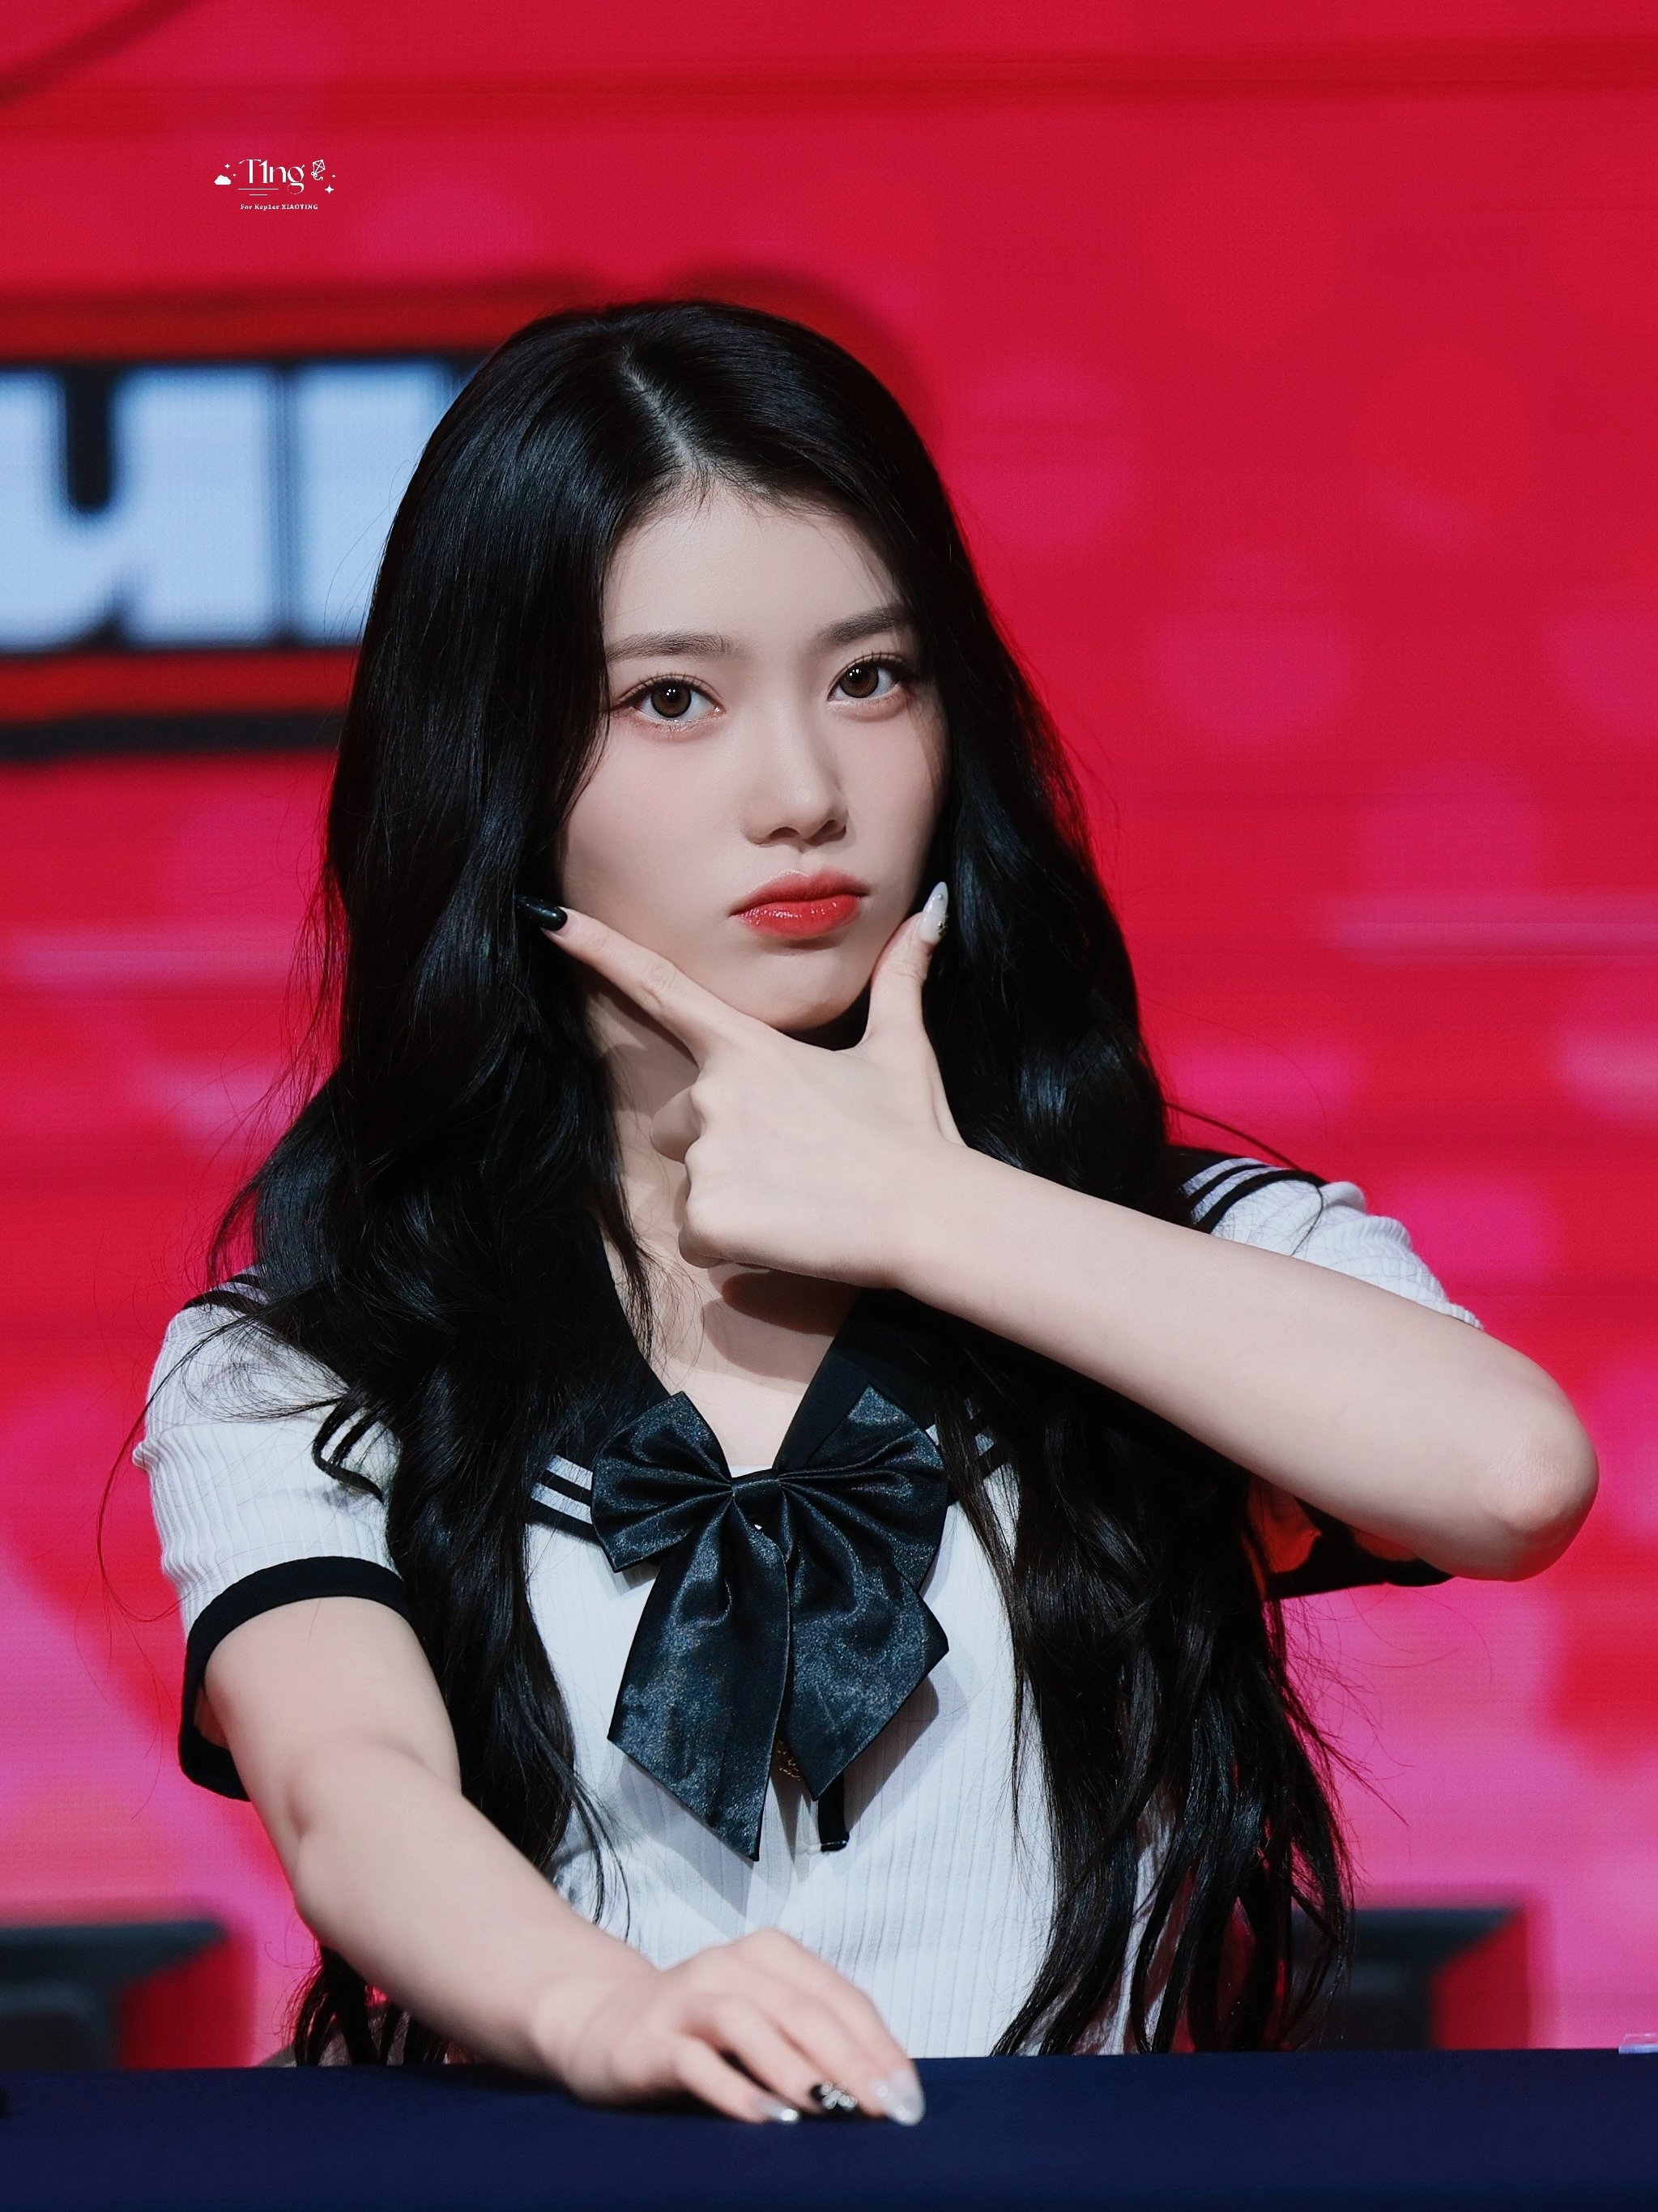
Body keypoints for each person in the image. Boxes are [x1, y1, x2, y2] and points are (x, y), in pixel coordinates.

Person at [134, 299, 1596, 2120]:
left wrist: (929, 1208)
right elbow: (346, 1787)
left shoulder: (1177, 1246)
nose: (804, 794)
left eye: (871, 679)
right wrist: (606, 2013)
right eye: (672, 700)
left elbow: (1511, 1475)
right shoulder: (307, 1359)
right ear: (493, 757)